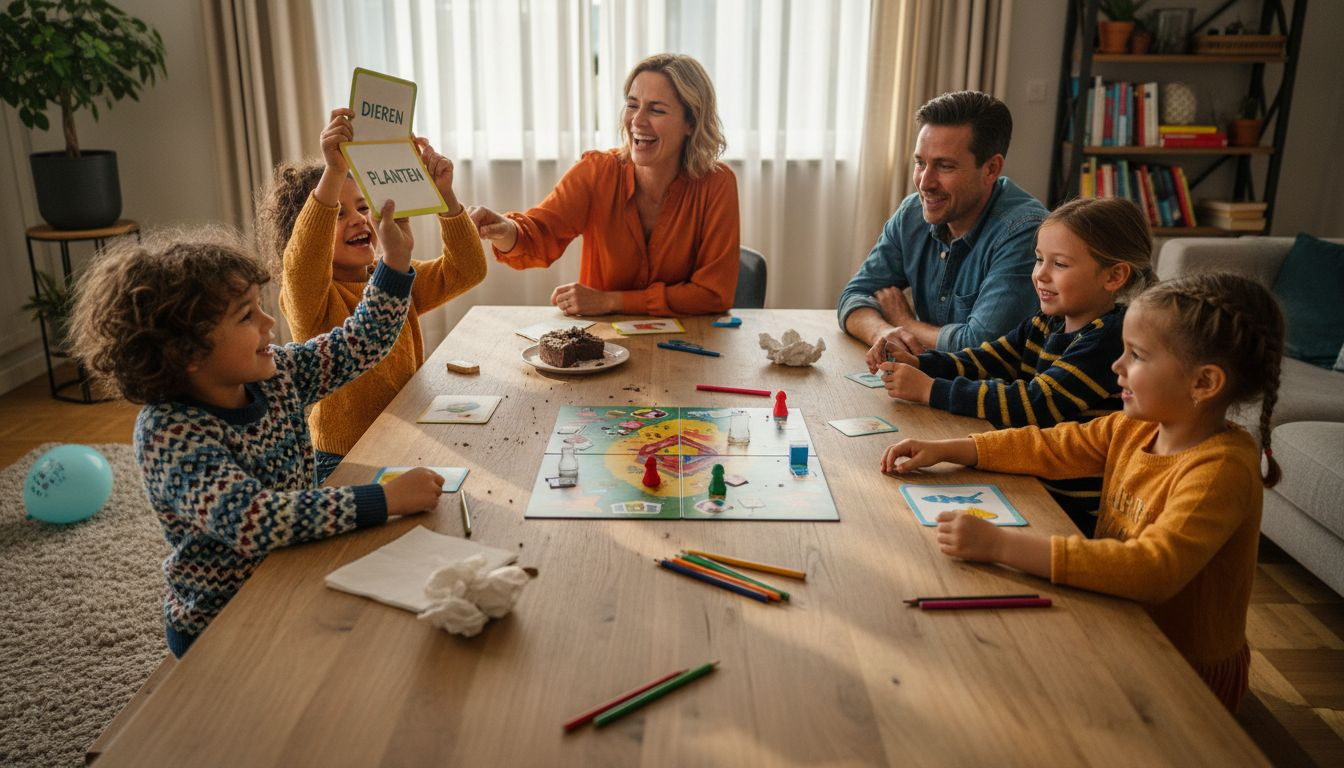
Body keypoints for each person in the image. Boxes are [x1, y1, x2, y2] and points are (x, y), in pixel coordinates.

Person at [879, 272, 1286, 713]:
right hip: (1121, 622)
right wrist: (951, 449)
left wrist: (1000, 544)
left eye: (1137, 356)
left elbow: (1153, 568)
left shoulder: (1221, 468)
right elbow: (1051, 445)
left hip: (1187, 671)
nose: (1117, 366)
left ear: (1204, 383)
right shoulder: (1136, 425)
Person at [68, 213, 447, 658]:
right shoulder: (168, 433)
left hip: (296, 570)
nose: (269, 321)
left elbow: (359, 342)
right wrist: (385, 499)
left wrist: (396, 262)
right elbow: (253, 518)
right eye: (247, 315)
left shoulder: (276, 373)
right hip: (220, 620)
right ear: (186, 352)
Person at [871, 197, 1154, 535]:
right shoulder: (1048, 321)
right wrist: (921, 362)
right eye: (1038, 260)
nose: (1040, 275)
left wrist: (931, 390)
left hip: (1066, 510)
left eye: (1059, 265)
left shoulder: (1111, 338)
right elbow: (988, 359)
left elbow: (1035, 404)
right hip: (1026, 475)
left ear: (1114, 276)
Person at [257, 107, 487, 483]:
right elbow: (301, 261)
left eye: (363, 207)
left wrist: (445, 196)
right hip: (343, 456)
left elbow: (467, 270)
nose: (359, 219)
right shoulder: (306, 296)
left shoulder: (392, 281)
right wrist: (333, 171)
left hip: (405, 435)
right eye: (337, 214)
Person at [469, 53, 739, 317]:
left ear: (691, 122)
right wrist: (504, 229)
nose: (637, 120)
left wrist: (612, 301)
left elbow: (714, 294)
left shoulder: (717, 184)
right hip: (604, 348)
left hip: (691, 345)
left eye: (656, 109)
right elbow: (539, 235)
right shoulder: (597, 172)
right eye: (632, 105)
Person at [838, 90, 1046, 356]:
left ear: (991, 169)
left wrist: (903, 322)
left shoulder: (1025, 231)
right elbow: (853, 296)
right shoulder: (912, 214)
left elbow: (980, 346)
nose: (925, 183)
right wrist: (883, 332)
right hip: (927, 381)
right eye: (920, 163)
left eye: (945, 166)